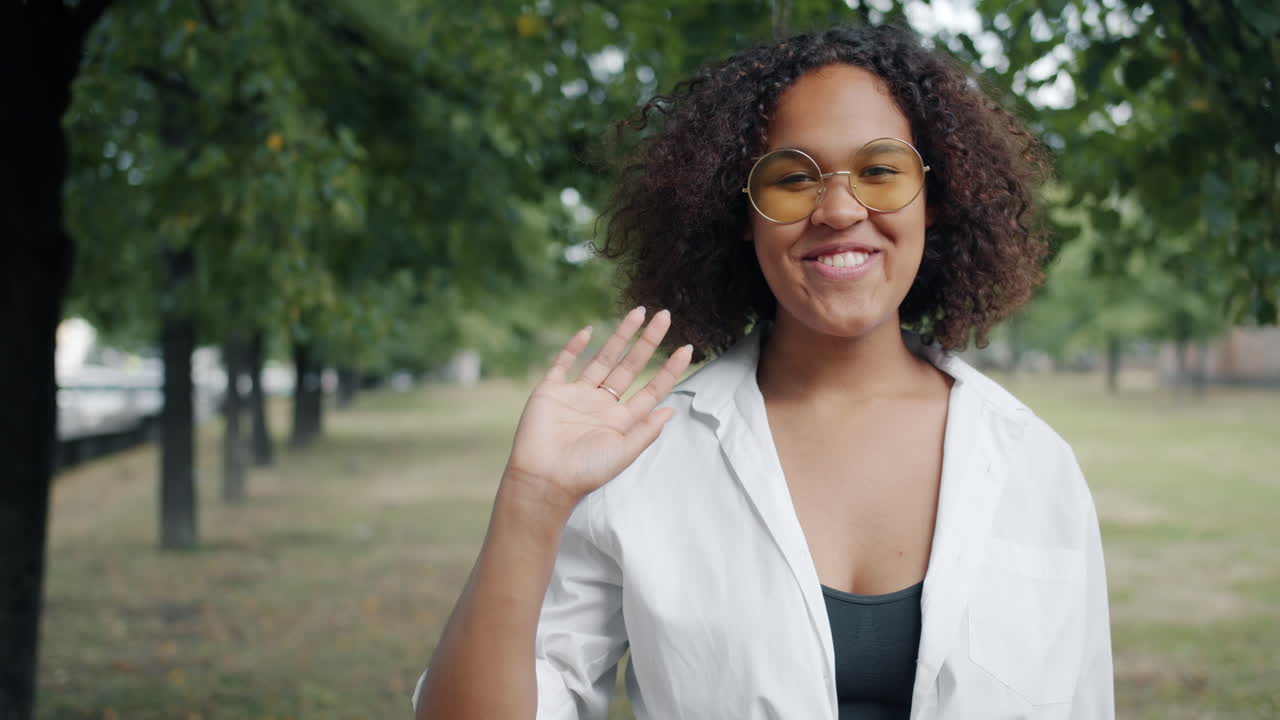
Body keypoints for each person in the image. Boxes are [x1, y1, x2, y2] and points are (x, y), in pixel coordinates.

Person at [413, 23, 1113, 720]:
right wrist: (531, 501)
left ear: (935, 197)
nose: (839, 209)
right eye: (792, 178)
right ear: (742, 215)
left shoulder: (1032, 464)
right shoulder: (643, 458)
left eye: (880, 171)